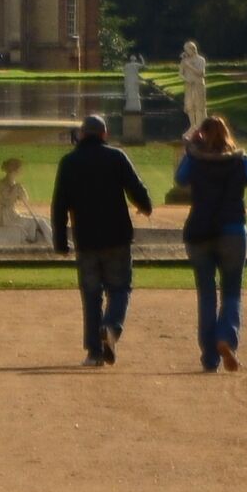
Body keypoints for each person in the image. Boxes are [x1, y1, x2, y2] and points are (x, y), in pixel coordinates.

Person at [51, 113, 154, 365]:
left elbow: (59, 205)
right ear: (105, 134)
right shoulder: (116, 157)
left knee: (91, 295)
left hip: (86, 238)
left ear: (82, 134)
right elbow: (136, 188)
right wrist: (145, 206)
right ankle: (111, 327)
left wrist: (61, 242)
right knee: (120, 288)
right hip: (116, 236)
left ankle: (94, 352)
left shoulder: (69, 162)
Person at [176, 113, 247, 372]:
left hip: (200, 230)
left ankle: (210, 357)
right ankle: (226, 337)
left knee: (206, 295)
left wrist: (190, 147)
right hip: (233, 229)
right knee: (232, 291)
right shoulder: (240, 160)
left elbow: (180, 179)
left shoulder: (195, 160)